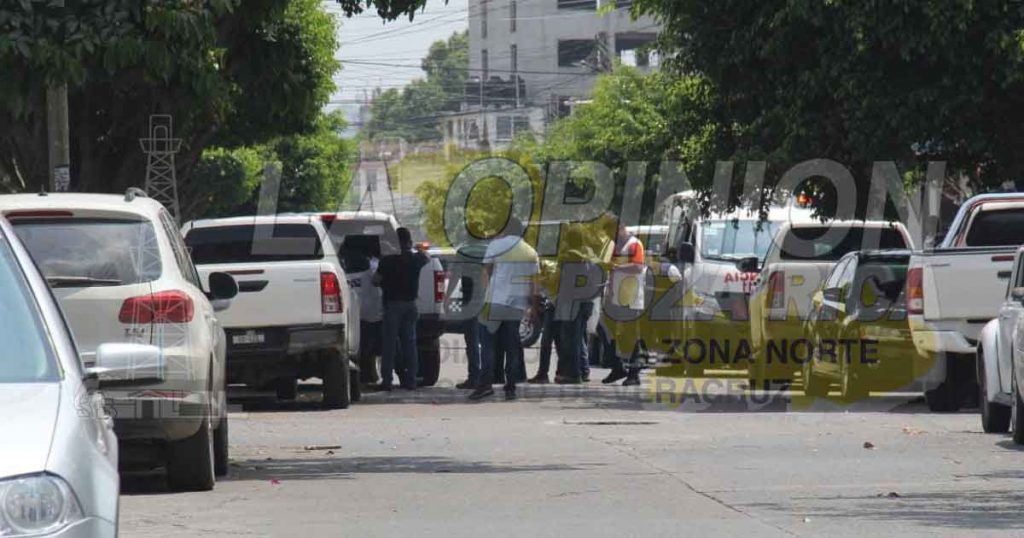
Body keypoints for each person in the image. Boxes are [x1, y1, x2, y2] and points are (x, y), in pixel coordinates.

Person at [469, 217, 540, 401]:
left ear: (505, 230)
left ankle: (485, 384)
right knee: (512, 346)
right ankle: (511, 387)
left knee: (488, 344)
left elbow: (486, 272)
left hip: (494, 302)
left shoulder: (497, 246)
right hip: (517, 307)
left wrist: (484, 295)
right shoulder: (531, 252)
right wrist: (533, 307)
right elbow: (534, 284)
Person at [373, 227, 428, 391]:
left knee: (389, 344)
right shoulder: (416, 259)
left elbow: (375, 281)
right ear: (409, 242)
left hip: (392, 305)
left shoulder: (387, 260)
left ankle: (387, 381)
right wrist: (418, 249)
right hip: (410, 305)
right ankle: (411, 380)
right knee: (409, 343)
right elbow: (427, 258)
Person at [602, 222, 647, 386]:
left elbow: (637, 266)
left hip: (631, 298)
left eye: (611, 233)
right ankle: (617, 366)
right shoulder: (616, 246)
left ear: (620, 229)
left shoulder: (634, 244)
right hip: (616, 297)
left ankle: (634, 373)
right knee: (605, 330)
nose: (610, 237)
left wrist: (617, 267)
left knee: (631, 335)